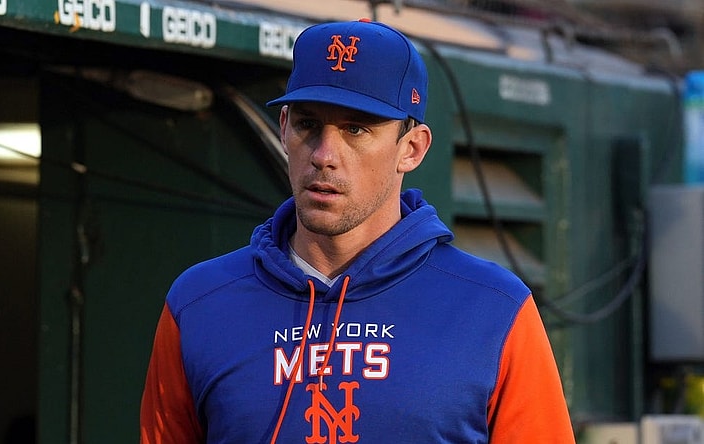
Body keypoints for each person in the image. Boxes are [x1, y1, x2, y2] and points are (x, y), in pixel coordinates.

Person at [140, 18, 575, 443]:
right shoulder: (197, 304)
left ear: (412, 148)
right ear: (285, 127)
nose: (325, 154)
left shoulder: (494, 309)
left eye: (356, 128)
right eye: (309, 124)